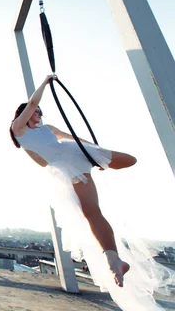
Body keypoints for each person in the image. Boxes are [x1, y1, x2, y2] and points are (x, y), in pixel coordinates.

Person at [10, 75, 137, 287]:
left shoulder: (47, 129)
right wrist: (46, 81)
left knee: (129, 162)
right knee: (91, 211)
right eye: (36, 111)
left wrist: (94, 151)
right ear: (25, 114)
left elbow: (70, 137)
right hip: (68, 166)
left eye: (40, 112)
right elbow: (32, 102)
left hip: (74, 156)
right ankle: (113, 258)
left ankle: (113, 258)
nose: (38, 113)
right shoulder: (18, 129)